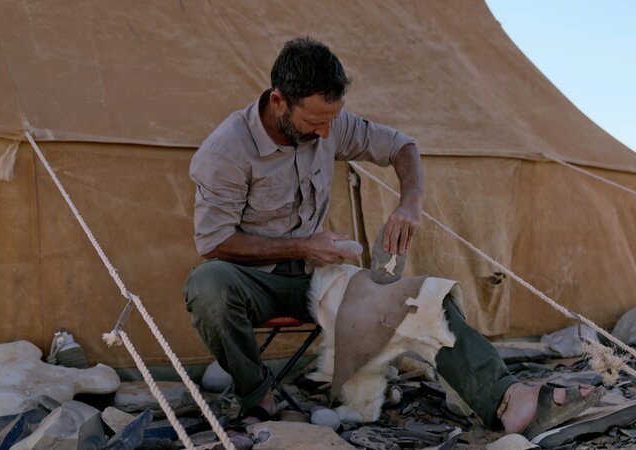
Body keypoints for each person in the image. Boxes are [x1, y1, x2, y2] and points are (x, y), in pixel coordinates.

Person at [184, 37, 598, 435]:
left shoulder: (330, 124)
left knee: (422, 297)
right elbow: (215, 243)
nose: (327, 134)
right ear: (279, 101)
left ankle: (507, 399)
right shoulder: (226, 151)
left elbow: (402, 147)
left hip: (321, 275)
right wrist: (302, 245)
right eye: (314, 122)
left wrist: (410, 203)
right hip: (253, 280)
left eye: (331, 121)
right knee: (206, 284)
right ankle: (257, 393)